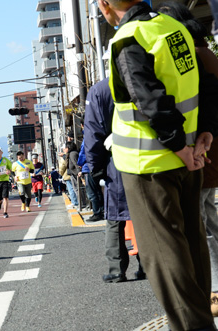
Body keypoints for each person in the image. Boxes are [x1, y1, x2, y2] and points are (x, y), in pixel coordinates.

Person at [98, 0, 216, 328]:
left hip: (148, 165)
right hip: (190, 159)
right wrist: (204, 134)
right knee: (192, 244)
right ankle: (200, 319)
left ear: (104, 5)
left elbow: (148, 99)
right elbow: (205, 85)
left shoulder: (128, 38)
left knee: (162, 255)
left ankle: (194, 326)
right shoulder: (172, 28)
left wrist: (179, 147)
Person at [155, 0, 218, 317]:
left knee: (203, 226)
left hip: (202, 153)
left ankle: (212, 294)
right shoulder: (202, 51)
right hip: (206, 151)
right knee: (208, 222)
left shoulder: (192, 56)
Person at [84, 78, 146, 283]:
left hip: (117, 161)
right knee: (146, 214)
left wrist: (96, 168)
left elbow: (93, 133)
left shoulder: (100, 90)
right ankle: (149, 265)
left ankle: (116, 270)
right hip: (150, 156)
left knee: (115, 217)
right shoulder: (147, 79)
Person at [78, 125, 104, 222]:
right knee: (98, 191)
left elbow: (83, 153)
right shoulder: (96, 133)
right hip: (97, 166)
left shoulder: (87, 137)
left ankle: (97, 213)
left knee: (92, 193)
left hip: (88, 167)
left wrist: (79, 163)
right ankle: (101, 211)